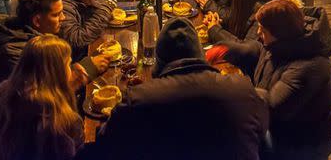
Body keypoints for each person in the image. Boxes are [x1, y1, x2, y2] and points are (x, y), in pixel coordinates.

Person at [82, 18, 268, 160]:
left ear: (160, 61)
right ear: (200, 55)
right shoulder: (242, 88)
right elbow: (261, 129)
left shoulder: (139, 98)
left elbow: (106, 143)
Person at [221, 0, 331, 159]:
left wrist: (228, 87)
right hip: (287, 125)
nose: (258, 33)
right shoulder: (285, 41)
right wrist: (224, 49)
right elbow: (257, 50)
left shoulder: (310, 66)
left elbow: (272, 106)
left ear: (279, 32)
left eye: (262, 30)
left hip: (306, 141)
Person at [0, 0, 108, 101]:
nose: (63, 18)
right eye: (56, 14)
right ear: (37, 21)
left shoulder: (34, 34)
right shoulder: (16, 54)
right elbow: (45, 97)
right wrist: (85, 70)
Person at [0, 34, 83, 160]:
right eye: (68, 64)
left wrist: (65, 88)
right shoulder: (58, 118)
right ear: (59, 72)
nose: (70, 70)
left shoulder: (3, 91)